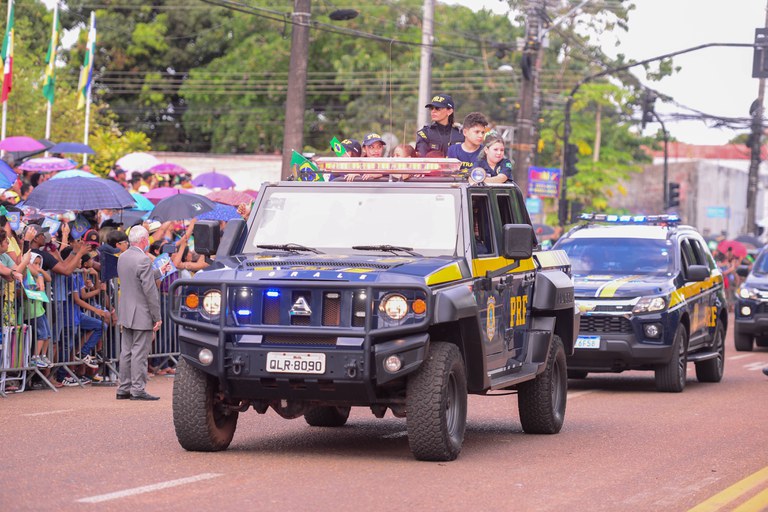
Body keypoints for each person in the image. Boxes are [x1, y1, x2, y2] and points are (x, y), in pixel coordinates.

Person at [116, 225, 162, 401]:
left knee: (126, 351)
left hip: (126, 309)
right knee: (139, 353)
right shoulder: (143, 259)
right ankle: (137, 388)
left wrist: (157, 272)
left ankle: (124, 387)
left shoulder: (123, 257)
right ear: (143, 240)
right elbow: (149, 290)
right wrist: (156, 316)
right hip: (141, 311)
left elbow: (135, 277)